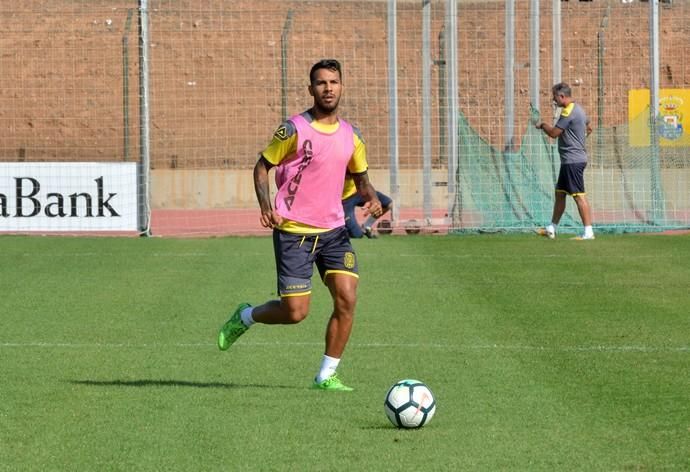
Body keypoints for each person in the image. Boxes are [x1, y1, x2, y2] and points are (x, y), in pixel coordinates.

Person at [217, 59, 383, 392]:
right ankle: (246, 316)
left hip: (334, 232)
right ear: (311, 89)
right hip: (294, 232)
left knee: (347, 299)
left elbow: (361, 179)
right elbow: (262, 167)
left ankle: (326, 375)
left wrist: (372, 199)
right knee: (295, 313)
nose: (328, 88)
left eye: (334, 82)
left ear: (342, 86)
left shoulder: (353, 136)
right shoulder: (293, 129)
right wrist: (266, 207)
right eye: (321, 83)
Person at [535, 82, 595, 240]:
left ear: (562, 96)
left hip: (572, 162)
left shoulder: (568, 112)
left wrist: (543, 125)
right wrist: (578, 141)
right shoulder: (579, 109)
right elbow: (589, 128)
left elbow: (554, 133)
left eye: (555, 97)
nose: (553, 100)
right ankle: (551, 228)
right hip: (571, 160)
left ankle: (588, 232)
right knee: (560, 194)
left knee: (579, 196)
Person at [342, 172, 392, 239]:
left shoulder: (357, 163)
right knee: (357, 235)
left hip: (357, 192)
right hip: (344, 199)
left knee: (388, 203)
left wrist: (373, 199)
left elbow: (364, 180)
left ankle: (367, 226)